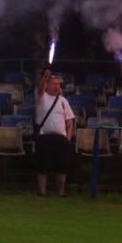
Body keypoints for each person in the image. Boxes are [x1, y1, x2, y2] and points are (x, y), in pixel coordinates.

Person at [34, 68, 76, 197]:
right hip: (44, 136)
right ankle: (42, 191)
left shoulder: (63, 101)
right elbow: (39, 89)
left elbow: (69, 122)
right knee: (42, 165)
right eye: (54, 84)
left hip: (61, 138)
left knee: (62, 166)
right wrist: (45, 77)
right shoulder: (42, 97)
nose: (57, 86)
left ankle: (61, 191)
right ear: (47, 85)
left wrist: (68, 138)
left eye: (58, 84)